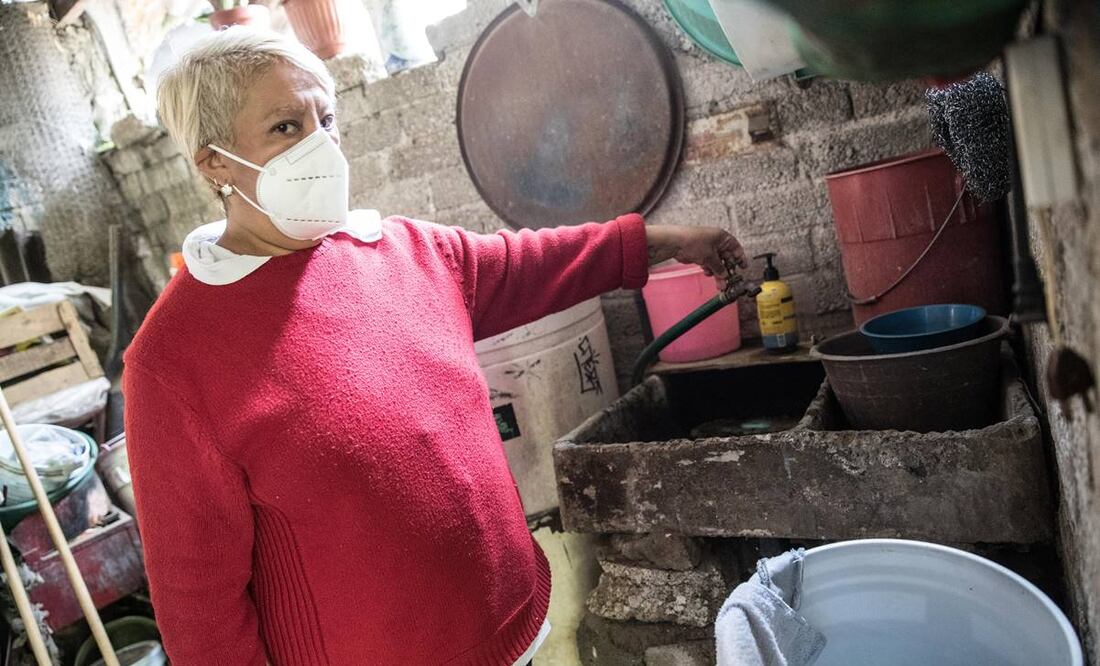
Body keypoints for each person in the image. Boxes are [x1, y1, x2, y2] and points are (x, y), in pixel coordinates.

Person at [123, 27, 745, 665]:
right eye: (286, 126)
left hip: (510, 628)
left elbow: (533, 264)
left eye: (326, 118)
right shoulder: (173, 361)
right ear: (214, 161)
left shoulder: (402, 252)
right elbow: (198, 603)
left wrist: (661, 241)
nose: (320, 145)